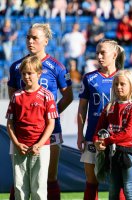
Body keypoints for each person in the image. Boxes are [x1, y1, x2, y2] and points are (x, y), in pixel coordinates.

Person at [7, 23, 73, 200]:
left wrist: (49, 115)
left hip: (50, 129)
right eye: (28, 37)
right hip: (23, 130)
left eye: (34, 38)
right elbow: (13, 96)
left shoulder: (57, 67)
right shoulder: (16, 67)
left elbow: (68, 96)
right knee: (20, 178)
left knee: (48, 177)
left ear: (45, 40)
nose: (30, 41)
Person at [77, 39, 126, 200]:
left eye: (102, 52)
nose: (99, 56)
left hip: (116, 137)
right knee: (91, 181)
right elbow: (82, 108)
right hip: (93, 135)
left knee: (118, 181)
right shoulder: (89, 78)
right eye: (97, 52)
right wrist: (80, 135)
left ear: (114, 54)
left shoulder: (124, 77)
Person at [6, 55, 58, 200]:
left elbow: (51, 124)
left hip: (41, 148)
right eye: (24, 73)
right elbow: (9, 124)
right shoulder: (16, 96)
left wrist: (39, 144)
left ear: (39, 73)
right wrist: (17, 144)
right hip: (20, 147)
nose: (27, 77)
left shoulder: (47, 96)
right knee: (20, 189)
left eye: (30, 73)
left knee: (39, 189)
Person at [93, 70, 132, 199]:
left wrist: (106, 141)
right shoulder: (110, 106)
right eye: (115, 84)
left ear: (131, 85)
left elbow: (127, 133)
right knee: (113, 189)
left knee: (128, 188)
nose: (118, 87)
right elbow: (99, 128)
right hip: (112, 152)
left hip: (128, 151)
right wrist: (97, 141)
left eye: (122, 84)